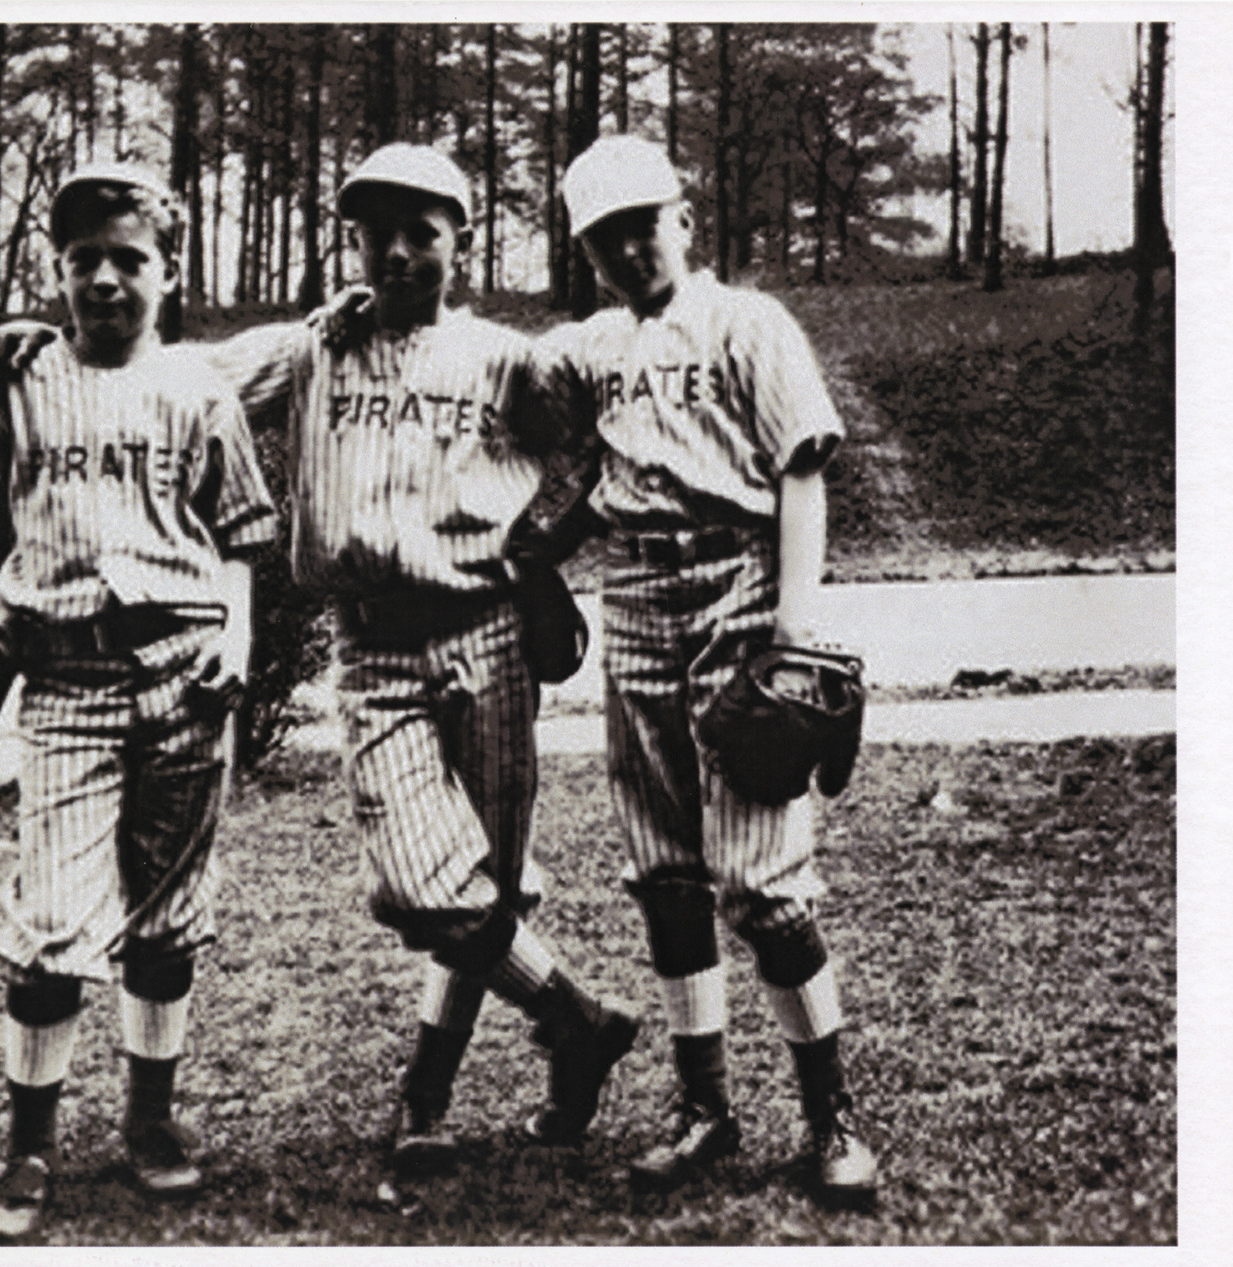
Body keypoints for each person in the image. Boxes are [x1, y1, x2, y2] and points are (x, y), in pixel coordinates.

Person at [0, 143, 639, 1179]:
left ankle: (429, 1097)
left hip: (489, 631)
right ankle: (576, 1016)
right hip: (373, 640)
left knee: (491, 885)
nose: (399, 253)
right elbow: (154, 378)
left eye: (423, 233)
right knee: (420, 885)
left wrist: (549, 544)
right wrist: (32, 343)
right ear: (352, 242)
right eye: (378, 234)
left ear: (460, 242)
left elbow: (611, 436)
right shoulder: (312, 347)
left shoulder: (505, 358)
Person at [0, 162, 278, 1237]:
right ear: (58, 270)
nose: (106, 280)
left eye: (129, 258)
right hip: (66, 677)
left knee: (167, 915)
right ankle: (29, 1146)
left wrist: (237, 638)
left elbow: (240, 535)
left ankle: (151, 1121)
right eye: (85, 259)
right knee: (51, 923)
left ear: (166, 272)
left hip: (183, 670)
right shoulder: (16, 379)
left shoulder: (199, 388)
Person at [534, 134, 879, 1205]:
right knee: (667, 876)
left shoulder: (747, 321)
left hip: (738, 583)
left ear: (682, 219)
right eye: (604, 238)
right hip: (636, 592)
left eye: (642, 225)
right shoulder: (593, 346)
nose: (628, 250)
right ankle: (706, 1108)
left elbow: (801, 470)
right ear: (587, 253)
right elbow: (508, 386)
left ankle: (830, 1116)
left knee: (762, 884)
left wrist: (796, 635)